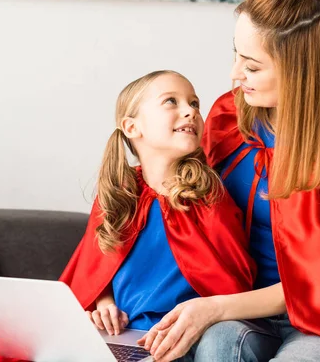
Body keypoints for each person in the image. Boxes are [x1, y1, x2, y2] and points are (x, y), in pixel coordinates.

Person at [137, 0, 320, 361]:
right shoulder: (228, 117)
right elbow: (181, 215)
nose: (235, 75)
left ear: (300, 70)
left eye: (252, 66)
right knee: (218, 343)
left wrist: (214, 307)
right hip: (241, 308)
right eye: (237, 56)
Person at [59, 70, 255, 360]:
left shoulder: (208, 195)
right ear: (132, 127)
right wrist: (104, 304)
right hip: (124, 339)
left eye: (194, 103)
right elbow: (96, 270)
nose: (191, 111)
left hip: (183, 339)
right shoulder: (117, 195)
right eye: (171, 102)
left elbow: (232, 281)